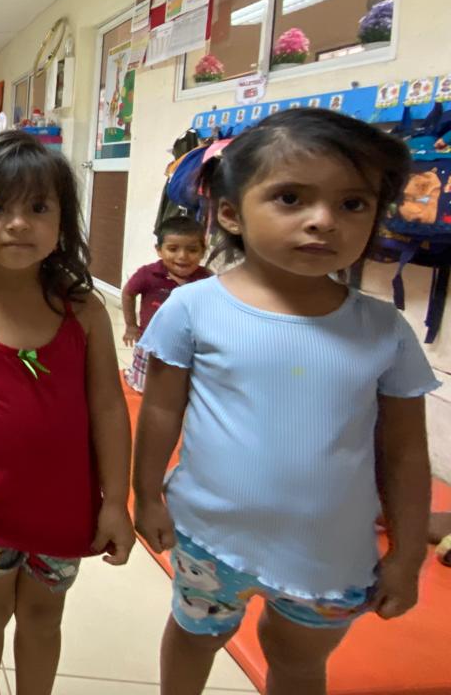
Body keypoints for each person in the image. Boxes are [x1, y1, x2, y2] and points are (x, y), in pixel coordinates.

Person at [133, 108, 438, 695]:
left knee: (298, 663)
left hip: (329, 554)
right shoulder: (193, 309)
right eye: (291, 198)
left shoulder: (383, 330)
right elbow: (162, 411)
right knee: (195, 636)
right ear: (230, 213)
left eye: (353, 203)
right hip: (209, 536)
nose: (323, 220)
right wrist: (146, 497)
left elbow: (404, 452)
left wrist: (406, 555)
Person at [0, 130, 134, 695]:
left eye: (38, 208)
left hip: (66, 510)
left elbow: (109, 408)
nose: (17, 224)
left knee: (44, 616)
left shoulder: (84, 312)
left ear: (62, 220)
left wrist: (117, 501)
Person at [120, 215, 210, 391]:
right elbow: (128, 293)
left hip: (191, 344)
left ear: (203, 251)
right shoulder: (148, 274)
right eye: (173, 249)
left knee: (184, 387)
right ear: (159, 250)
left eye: (192, 250)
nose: (182, 256)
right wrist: (131, 325)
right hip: (152, 343)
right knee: (146, 387)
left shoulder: (206, 278)